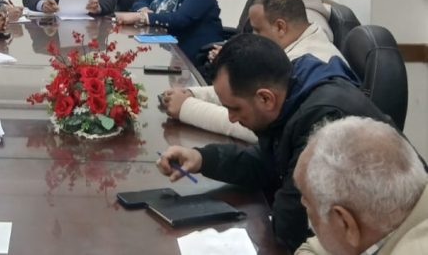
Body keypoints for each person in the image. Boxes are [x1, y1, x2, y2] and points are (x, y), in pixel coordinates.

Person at [156, 33, 392, 251]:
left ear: (265, 98)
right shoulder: (294, 86)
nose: (231, 118)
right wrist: (202, 158)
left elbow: (290, 227)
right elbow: (269, 160)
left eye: (235, 108)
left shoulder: (321, 123)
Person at [160, 0, 345, 143]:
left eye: (257, 30)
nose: (252, 37)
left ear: (280, 27)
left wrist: (187, 108)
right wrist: (192, 93)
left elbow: (259, 127)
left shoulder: (309, 61)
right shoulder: (302, 43)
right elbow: (245, 90)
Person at [294, 117, 428, 255]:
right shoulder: (400, 209)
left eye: (308, 205)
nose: (302, 202)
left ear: (345, 223)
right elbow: (312, 249)